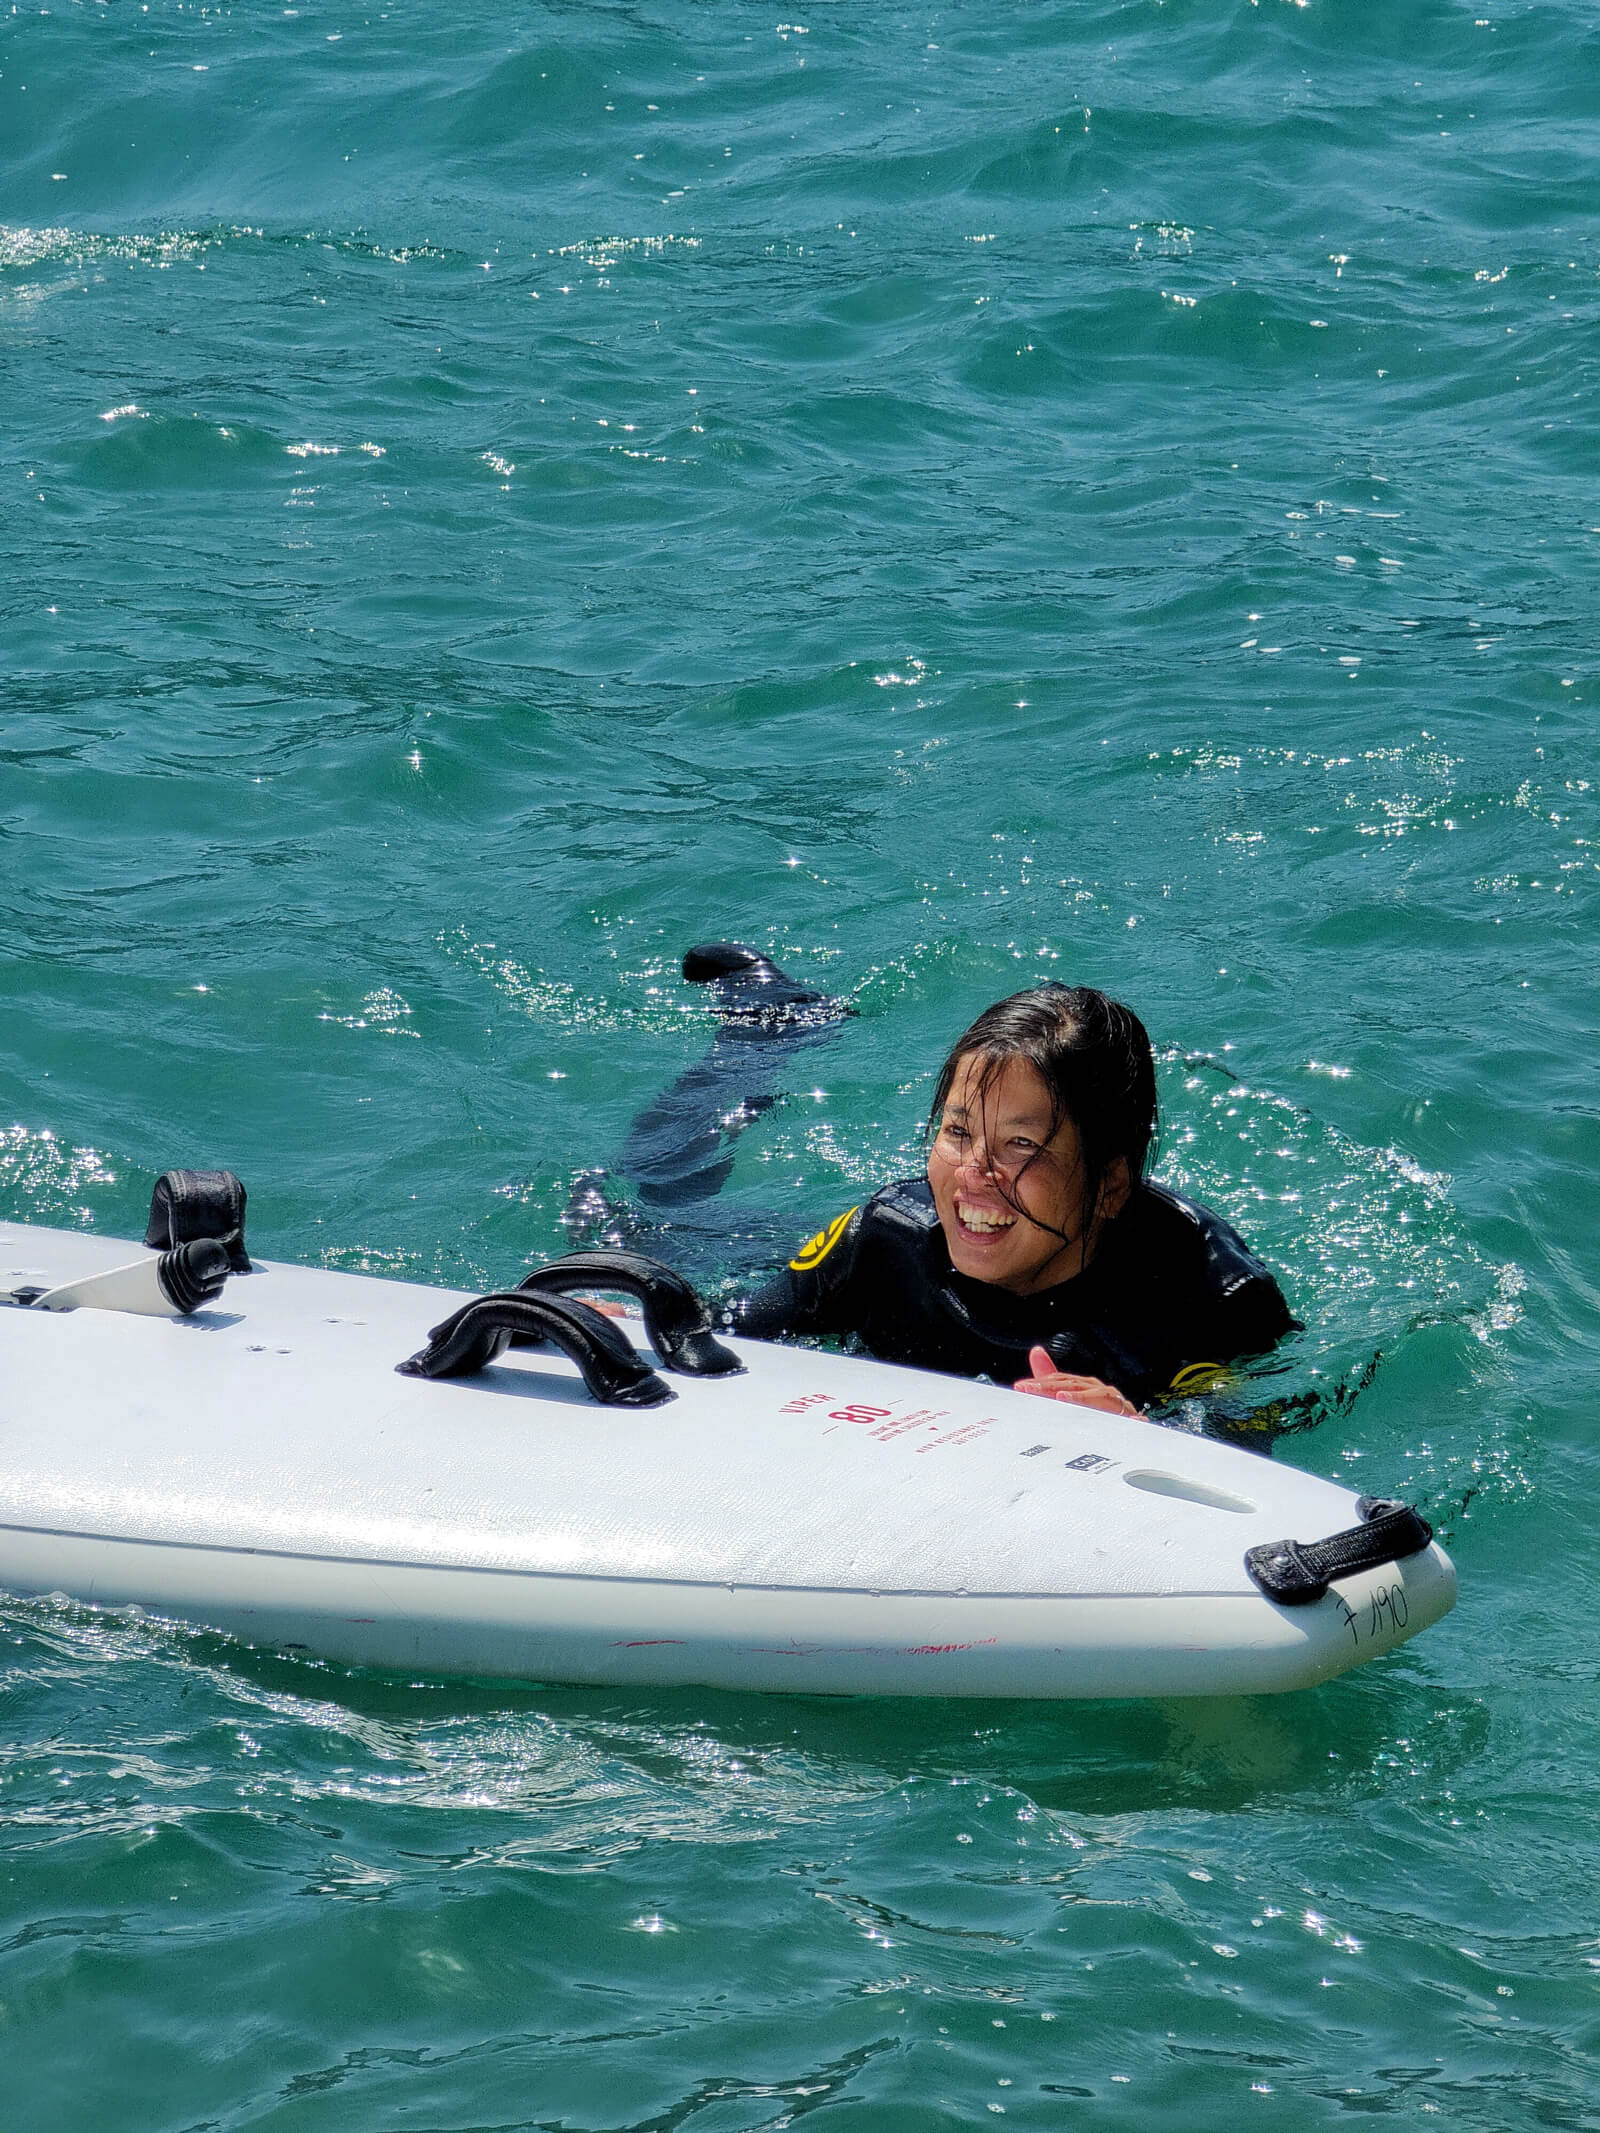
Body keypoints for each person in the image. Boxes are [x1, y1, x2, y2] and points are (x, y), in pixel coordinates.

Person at [721, 979, 1297, 1416]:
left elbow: (1249, 1443)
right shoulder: (887, 1237)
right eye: (958, 1132)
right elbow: (725, 1329)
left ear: (1111, 1185)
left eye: (1021, 1145)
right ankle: (768, 1030)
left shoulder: (1205, 1305)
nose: (974, 1174)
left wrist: (1140, 1426)